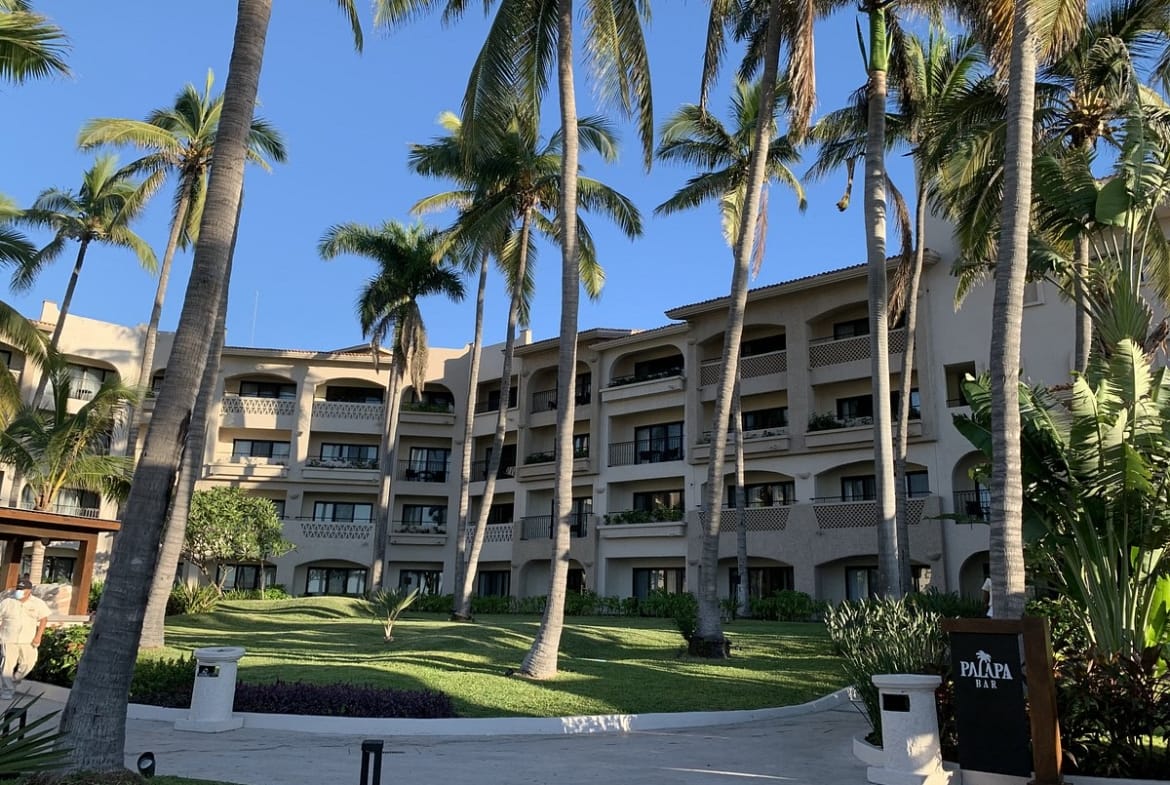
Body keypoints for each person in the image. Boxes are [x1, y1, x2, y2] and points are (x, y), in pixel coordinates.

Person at [0, 578, 51, 700]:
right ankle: (7, 690)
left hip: (28, 639)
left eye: (23, 589)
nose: (20, 591)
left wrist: (38, 636)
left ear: (29, 591)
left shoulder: (37, 603)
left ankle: (14, 680)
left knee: (29, 663)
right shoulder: (7, 602)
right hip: (8, 638)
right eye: (18, 588)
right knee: (7, 665)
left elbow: (44, 619)